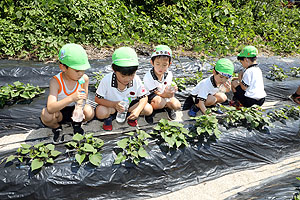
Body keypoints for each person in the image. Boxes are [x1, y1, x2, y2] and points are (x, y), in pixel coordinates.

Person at [40, 43, 95, 143]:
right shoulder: (56, 82)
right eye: (77, 70)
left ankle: (76, 124)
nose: (81, 74)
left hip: (75, 109)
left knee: (89, 111)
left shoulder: (84, 79)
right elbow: (51, 108)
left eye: (83, 70)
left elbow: (84, 96)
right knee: (46, 115)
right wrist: (71, 98)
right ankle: (57, 127)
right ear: (63, 68)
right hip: (60, 111)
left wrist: (79, 107)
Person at [95, 47, 153, 131]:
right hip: (111, 107)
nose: (127, 79)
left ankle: (130, 115)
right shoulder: (107, 80)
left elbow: (144, 97)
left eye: (131, 75)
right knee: (100, 112)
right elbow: (97, 99)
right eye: (123, 76)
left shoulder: (136, 79)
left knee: (148, 109)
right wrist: (114, 105)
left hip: (129, 106)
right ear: (114, 69)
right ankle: (109, 118)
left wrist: (137, 110)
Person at [143, 45, 181, 123]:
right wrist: (167, 95)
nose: (161, 68)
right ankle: (151, 111)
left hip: (164, 93)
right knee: (160, 103)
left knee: (177, 105)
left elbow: (168, 86)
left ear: (169, 64)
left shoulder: (169, 74)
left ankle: (168, 108)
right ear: (152, 63)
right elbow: (156, 92)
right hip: (152, 95)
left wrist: (173, 89)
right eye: (157, 64)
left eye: (164, 65)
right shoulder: (148, 77)